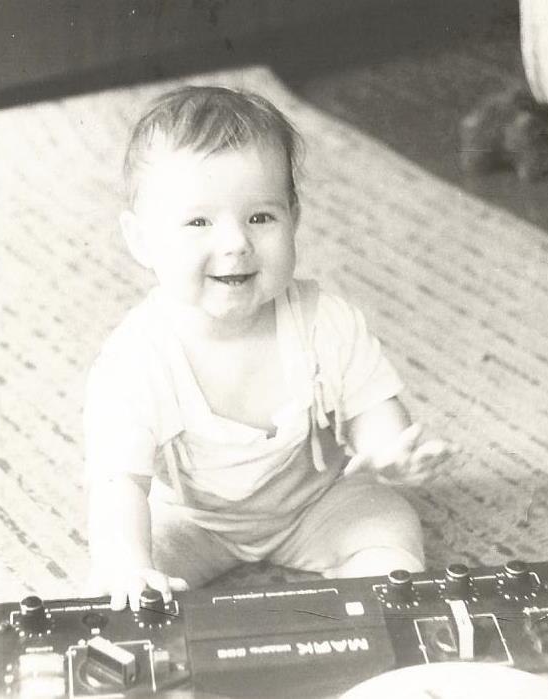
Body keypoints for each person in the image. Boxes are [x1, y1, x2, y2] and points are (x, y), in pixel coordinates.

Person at [84, 85, 456, 612]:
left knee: (389, 525)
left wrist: (390, 450)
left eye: (260, 217)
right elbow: (119, 481)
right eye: (198, 222)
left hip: (315, 503)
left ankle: (367, 614)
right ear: (142, 240)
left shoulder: (325, 321)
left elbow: (372, 406)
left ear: (293, 219)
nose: (236, 243)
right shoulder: (134, 360)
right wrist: (129, 563)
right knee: (126, 579)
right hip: (193, 521)